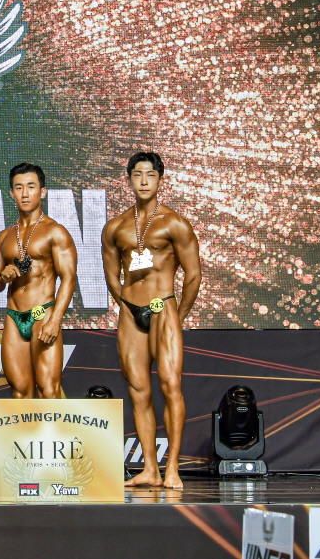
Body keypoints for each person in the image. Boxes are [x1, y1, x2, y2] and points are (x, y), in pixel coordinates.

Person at [101, 151, 201, 489]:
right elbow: (111, 275)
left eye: (150, 175)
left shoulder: (174, 223)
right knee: (138, 390)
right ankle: (149, 469)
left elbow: (193, 275)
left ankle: (171, 467)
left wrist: (177, 314)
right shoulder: (115, 227)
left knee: (170, 386)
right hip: (130, 313)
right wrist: (126, 305)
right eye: (137, 175)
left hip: (163, 308)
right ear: (129, 179)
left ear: (160, 179)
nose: (144, 181)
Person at [0, 163, 77, 399]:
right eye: (19, 188)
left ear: (42, 192)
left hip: (42, 313)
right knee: (20, 392)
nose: (25, 193)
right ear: (11, 193)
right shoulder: (4, 236)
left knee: (48, 391)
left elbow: (68, 278)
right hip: (13, 317)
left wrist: (55, 320)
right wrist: (2, 277)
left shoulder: (55, 232)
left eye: (31, 187)